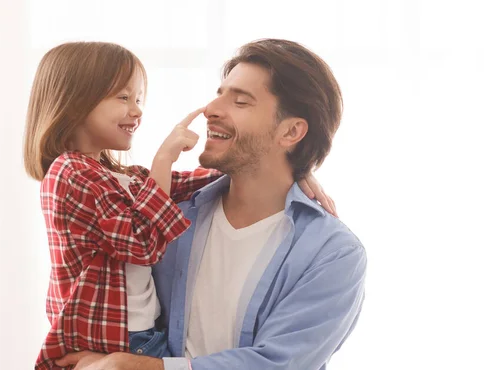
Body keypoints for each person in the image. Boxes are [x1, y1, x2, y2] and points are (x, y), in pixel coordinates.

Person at [58, 38, 366, 370]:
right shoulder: (172, 212)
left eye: (241, 101)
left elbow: (277, 363)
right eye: (220, 93)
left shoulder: (332, 253)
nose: (211, 109)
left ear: (291, 132)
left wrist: (140, 367)